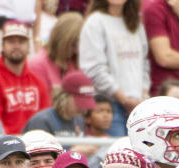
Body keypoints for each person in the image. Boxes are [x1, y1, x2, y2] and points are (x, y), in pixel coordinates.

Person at [79, 0, 149, 137]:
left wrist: (143, 96)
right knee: (117, 155)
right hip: (110, 106)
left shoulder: (136, 24)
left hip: (139, 105)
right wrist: (124, 99)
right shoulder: (95, 22)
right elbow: (93, 69)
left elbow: (144, 64)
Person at [0, 21, 51, 135]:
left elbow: (46, 119)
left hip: (33, 143)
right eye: (11, 41)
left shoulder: (37, 82)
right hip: (4, 143)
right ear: (3, 46)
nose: (16, 46)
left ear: (29, 46)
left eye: (21, 41)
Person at [23, 70, 96, 138]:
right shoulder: (42, 121)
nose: (83, 107)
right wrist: (74, 149)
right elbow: (38, 150)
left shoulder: (79, 119)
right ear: (65, 96)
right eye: (80, 101)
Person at [27, 12, 83, 93]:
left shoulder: (75, 62)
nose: (76, 51)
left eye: (79, 45)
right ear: (60, 40)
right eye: (73, 45)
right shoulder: (37, 64)